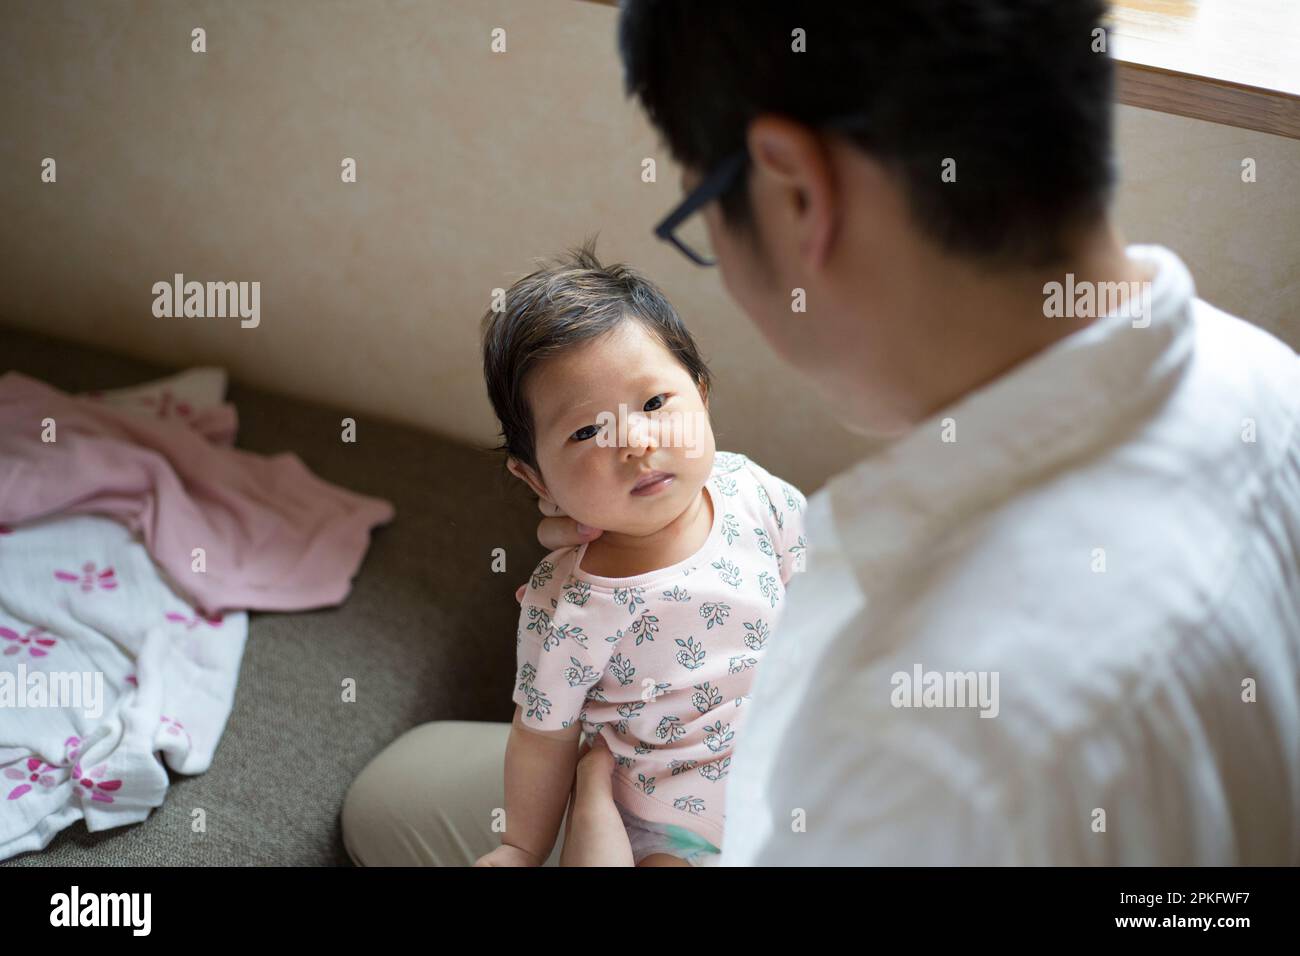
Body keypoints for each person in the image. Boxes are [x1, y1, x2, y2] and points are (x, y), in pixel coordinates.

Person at [342, 1, 1300, 865]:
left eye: (697, 220)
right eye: (588, 431)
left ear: (795, 192)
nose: (634, 441)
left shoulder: (920, 763)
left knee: (388, 805)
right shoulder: (1271, 384)